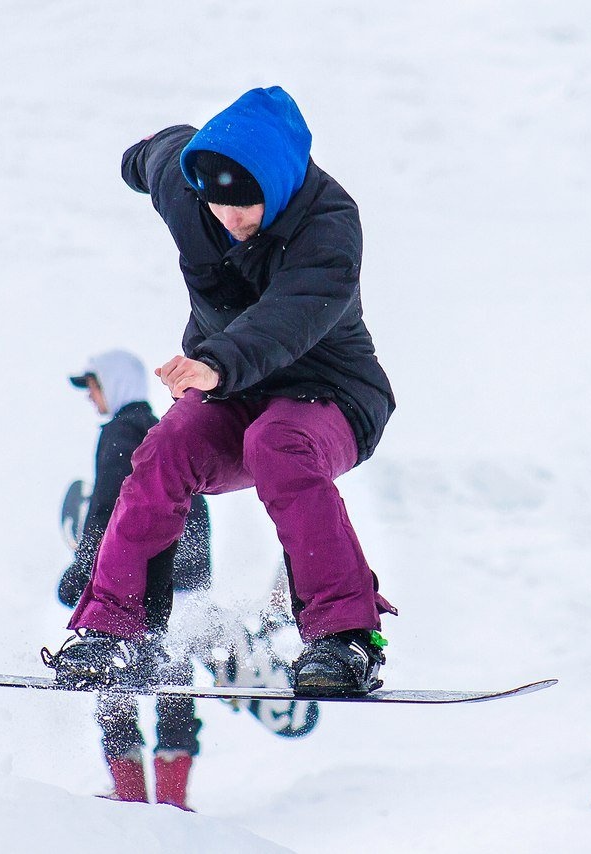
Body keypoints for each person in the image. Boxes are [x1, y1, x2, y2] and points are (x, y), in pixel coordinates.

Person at [43, 86, 397, 698]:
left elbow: (294, 312)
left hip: (332, 393)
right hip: (232, 385)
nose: (230, 221)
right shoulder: (190, 186)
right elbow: (157, 156)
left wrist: (218, 363)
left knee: (277, 443)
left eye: (247, 208)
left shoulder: (330, 225)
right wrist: (138, 158)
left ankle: (345, 638)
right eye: (218, 206)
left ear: (281, 184)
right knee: (165, 446)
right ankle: (115, 635)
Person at [56, 349, 212, 809]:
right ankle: (172, 802)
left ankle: (129, 798)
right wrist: (193, 576)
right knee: (172, 683)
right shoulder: (166, 428)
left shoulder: (121, 432)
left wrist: (82, 573)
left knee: (111, 680)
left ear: (113, 382)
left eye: (93, 387)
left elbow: (106, 510)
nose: (91, 398)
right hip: (181, 583)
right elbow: (196, 508)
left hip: (135, 585)